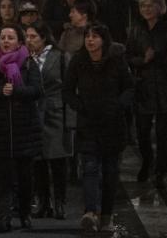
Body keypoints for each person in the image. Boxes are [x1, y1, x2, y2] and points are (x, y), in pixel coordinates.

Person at [62, 25, 134, 233]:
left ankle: (107, 216)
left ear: (104, 40)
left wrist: (118, 105)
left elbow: (129, 87)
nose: (90, 40)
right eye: (87, 36)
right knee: (90, 167)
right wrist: (79, 105)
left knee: (110, 171)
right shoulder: (79, 60)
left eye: (95, 37)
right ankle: (90, 212)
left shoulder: (116, 60)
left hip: (112, 124)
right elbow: (67, 90)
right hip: (88, 122)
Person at [0, 24, 43, 233]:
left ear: (19, 42)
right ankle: (4, 216)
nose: (5, 41)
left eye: (10, 37)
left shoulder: (29, 65)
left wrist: (17, 91)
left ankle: (25, 214)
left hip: (25, 129)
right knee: (2, 177)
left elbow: (37, 91)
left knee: (25, 178)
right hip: (0, 130)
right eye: (3, 37)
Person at [125, 0, 167, 189]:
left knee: (162, 132)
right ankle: (147, 161)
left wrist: (155, 57)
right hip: (144, 85)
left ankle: (161, 170)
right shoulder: (136, 28)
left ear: (160, 7)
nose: (146, 9)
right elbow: (129, 54)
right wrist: (142, 60)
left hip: (166, 85)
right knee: (142, 130)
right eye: (143, 6)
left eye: (150, 5)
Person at [24, 22, 72, 219]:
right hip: (34, 113)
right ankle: (44, 202)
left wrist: (71, 118)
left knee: (58, 161)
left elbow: (70, 87)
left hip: (55, 112)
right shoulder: (25, 59)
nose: (29, 40)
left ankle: (60, 202)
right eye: (27, 36)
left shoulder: (60, 57)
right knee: (38, 162)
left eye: (33, 36)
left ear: (44, 38)